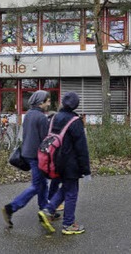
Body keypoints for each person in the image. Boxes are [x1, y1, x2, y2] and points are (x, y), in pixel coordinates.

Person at [1, 90, 58, 228]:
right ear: (40, 103)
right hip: (36, 155)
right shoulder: (41, 118)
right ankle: (11, 208)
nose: (49, 103)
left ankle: (45, 209)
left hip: (27, 153)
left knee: (43, 183)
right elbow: (46, 140)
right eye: (48, 101)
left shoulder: (29, 115)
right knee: (37, 185)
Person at [38, 91, 90, 235]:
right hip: (71, 165)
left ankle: (48, 210)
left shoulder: (54, 118)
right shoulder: (75, 121)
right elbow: (81, 148)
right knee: (72, 192)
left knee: (66, 188)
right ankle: (68, 225)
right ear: (76, 105)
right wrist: (86, 170)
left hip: (56, 161)